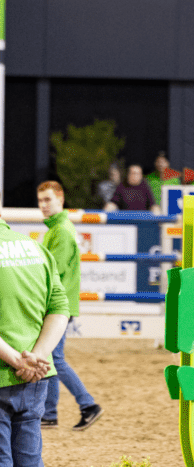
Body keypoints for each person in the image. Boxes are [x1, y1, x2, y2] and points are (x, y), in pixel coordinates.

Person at [0, 201, 70, 467]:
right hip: (37, 376)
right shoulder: (35, 248)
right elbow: (59, 307)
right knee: (30, 460)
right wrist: (38, 356)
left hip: (7, 370)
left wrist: (18, 360)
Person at [36, 182, 102, 431]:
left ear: (60, 199)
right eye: (40, 200)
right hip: (61, 303)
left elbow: (54, 272)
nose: (43, 205)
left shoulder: (60, 231)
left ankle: (88, 405)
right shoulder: (60, 227)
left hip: (57, 305)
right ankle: (50, 414)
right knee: (53, 358)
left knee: (56, 359)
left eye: (47, 200)